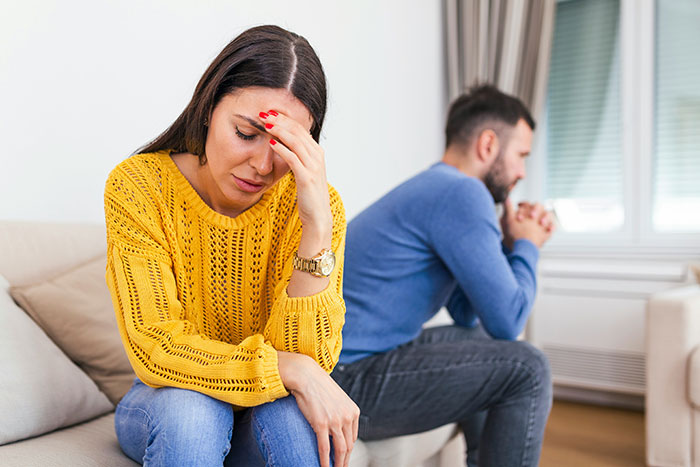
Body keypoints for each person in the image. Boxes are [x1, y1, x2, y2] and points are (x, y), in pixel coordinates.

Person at [104, 25, 359, 467]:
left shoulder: (315, 205)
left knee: (294, 421)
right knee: (194, 412)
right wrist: (288, 368)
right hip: (169, 398)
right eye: (245, 133)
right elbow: (157, 345)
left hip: (267, 405)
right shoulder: (138, 187)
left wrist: (316, 230)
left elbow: (312, 360)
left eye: (284, 147)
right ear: (207, 109)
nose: (262, 166)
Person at [330, 84, 555, 467]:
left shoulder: (439, 187)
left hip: (352, 363)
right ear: (488, 145)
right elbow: (509, 321)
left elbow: (468, 315)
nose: (520, 172)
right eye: (520, 155)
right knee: (527, 368)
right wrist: (527, 244)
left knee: (480, 339)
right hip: (343, 380)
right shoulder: (463, 194)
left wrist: (497, 243)